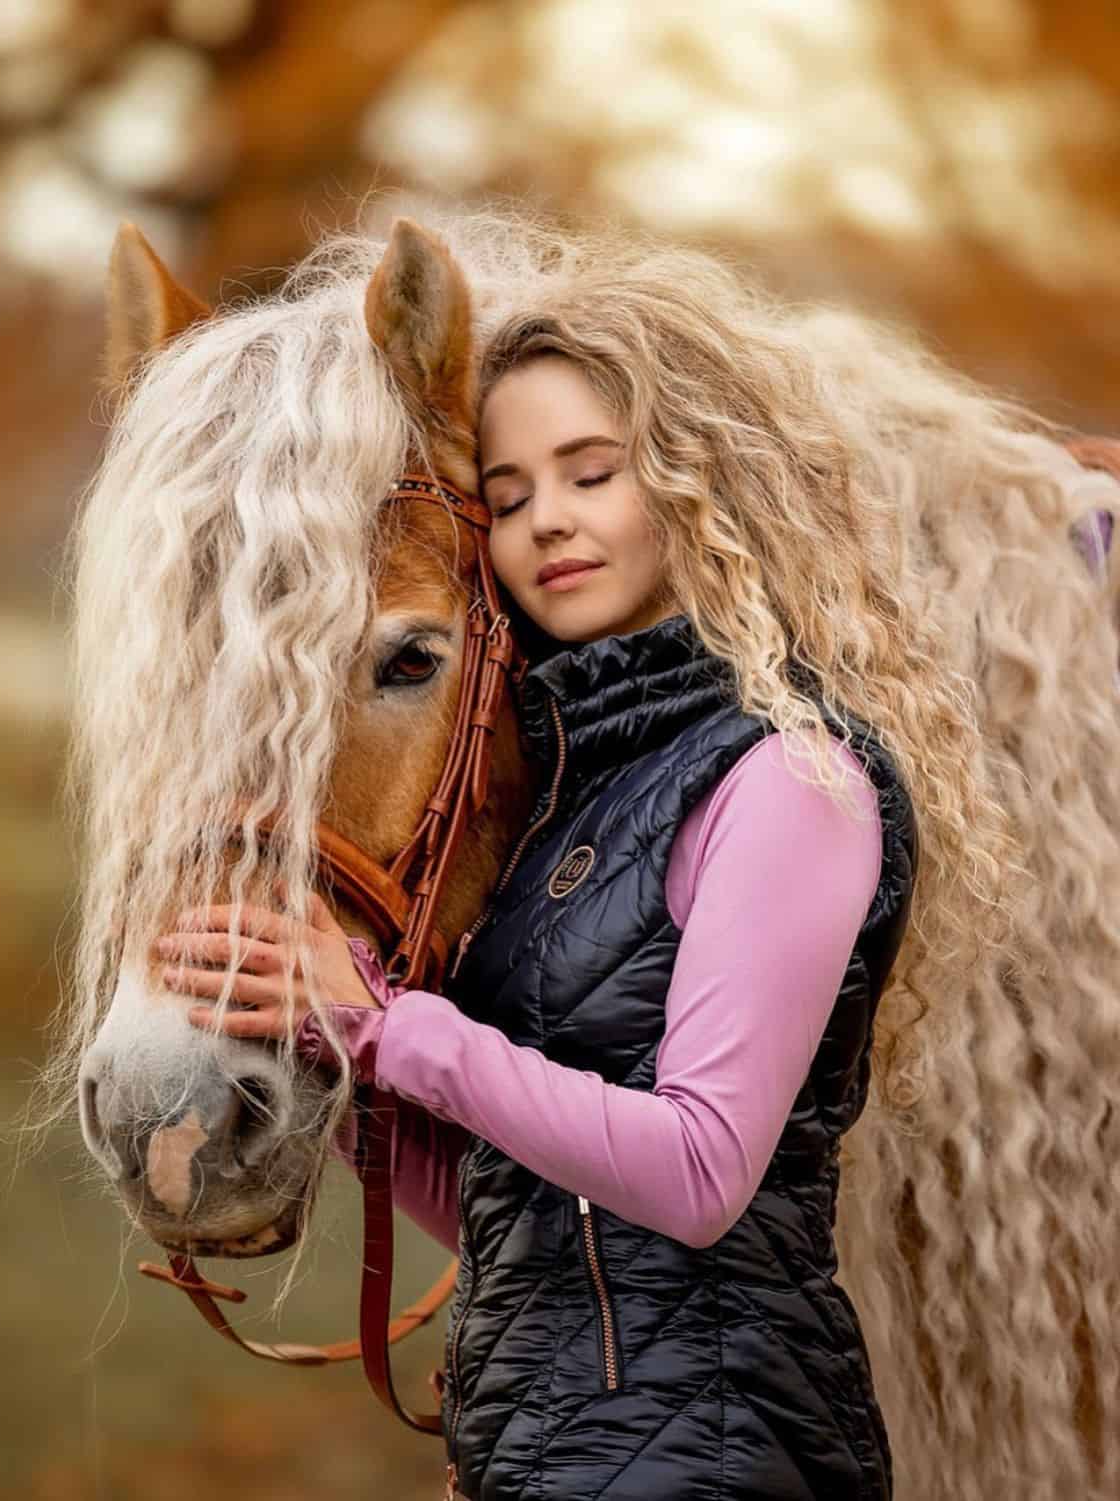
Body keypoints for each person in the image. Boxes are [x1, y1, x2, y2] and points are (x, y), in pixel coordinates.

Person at [158, 251, 1033, 1501]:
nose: (547, 520)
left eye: (592, 472)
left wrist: (392, 1027)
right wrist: (325, 1051)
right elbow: (523, 1218)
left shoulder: (790, 784)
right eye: (507, 496)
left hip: (715, 1453)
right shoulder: (582, 800)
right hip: (548, 1450)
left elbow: (695, 1178)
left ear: (694, 481)